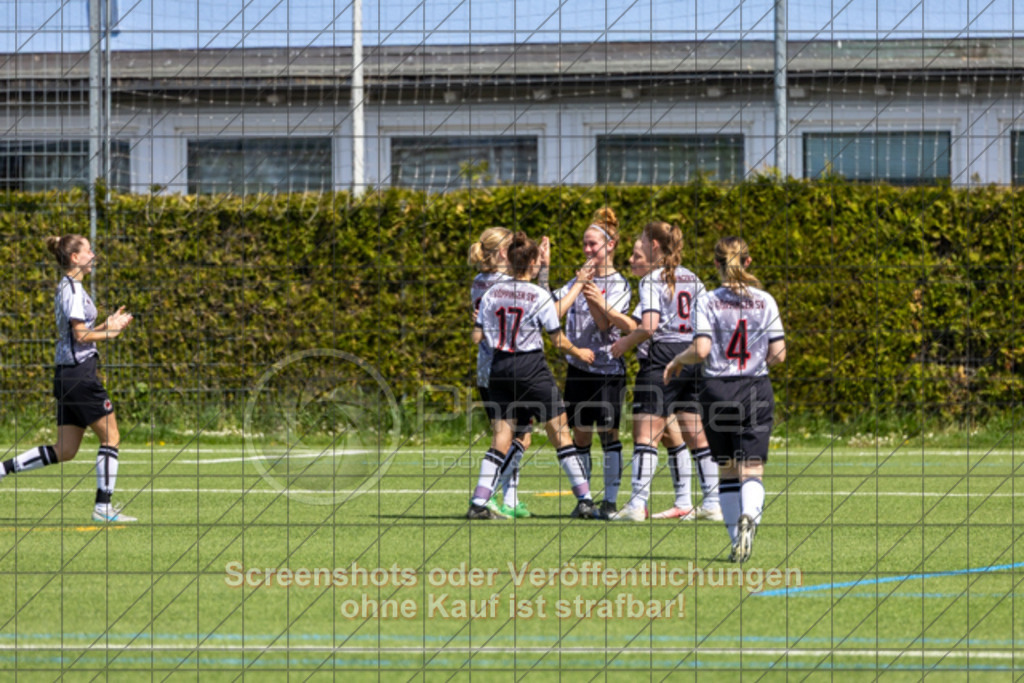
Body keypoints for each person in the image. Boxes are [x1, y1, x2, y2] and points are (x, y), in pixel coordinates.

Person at [664, 236, 786, 562]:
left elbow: (701, 350)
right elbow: (779, 355)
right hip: (755, 387)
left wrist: (678, 360)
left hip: (717, 389)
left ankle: (736, 540)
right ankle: (750, 518)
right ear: (748, 262)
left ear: (716, 264)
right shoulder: (766, 300)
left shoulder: (707, 301)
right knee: (753, 467)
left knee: (728, 469)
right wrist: (757, 360)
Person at [0, 234, 136, 523]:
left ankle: (2, 469)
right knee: (111, 437)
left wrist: (106, 325)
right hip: (79, 376)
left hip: (66, 375)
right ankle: (103, 507)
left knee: (65, 450)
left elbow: (81, 335)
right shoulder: (72, 289)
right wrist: (111, 332)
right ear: (75, 257)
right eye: (88, 250)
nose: (93, 254)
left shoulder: (71, 288)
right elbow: (80, 336)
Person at [467, 232, 597, 520]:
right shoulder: (538, 295)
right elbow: (557, 340)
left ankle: (478, 503)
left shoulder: (489, 291)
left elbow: (477, 336)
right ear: (534, 263)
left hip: (498, 368)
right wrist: (578, 352)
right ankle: (586, 501)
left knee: (501, 437)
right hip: (530, 367)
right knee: (561, 434)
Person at [608, 221, 715, 522]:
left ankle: (636, 505)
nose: (637, 246)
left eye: (641, 240)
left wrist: (624, 344)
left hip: (662, 358)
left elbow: (650, 326)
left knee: (646, 435)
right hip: (692, 355)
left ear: (654, 245)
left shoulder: (652, 279)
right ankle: (713, 502)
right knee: (697, 435)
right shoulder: (694, 278)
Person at [552, 208, 631, 519]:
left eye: (592, 244)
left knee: (608, 434)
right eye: (584, 244)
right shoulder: (578, 278)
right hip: (579, 369)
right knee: (580, 434)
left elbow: (605, 327)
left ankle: (610, 501)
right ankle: (584, 501)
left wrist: (593, 295)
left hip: (608, 372)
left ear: (610, 245)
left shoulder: (620, 284)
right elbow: (551, 308)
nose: (587, 250)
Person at [469, 227, 532, 518]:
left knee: (506, 436)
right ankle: (489, 496)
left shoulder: (478, 281)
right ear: (504, 252)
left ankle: (510, 498)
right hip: (510, 366)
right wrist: (538, 269)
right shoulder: (510, 283)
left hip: (486, 369)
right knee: (515, 438)